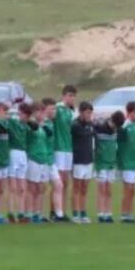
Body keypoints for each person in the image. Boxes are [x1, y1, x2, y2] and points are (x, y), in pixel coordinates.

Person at [94, 111, 124, 223]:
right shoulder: (99, 128)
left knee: (109, 189)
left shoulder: (117, 130)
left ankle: (108, 213)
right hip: (101, 163)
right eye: (115, 125)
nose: (115, 128)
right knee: (101, 189)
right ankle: (101, 214)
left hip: (112, 163)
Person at [25, 102, 53, 223]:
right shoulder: (30, 126)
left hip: (44, 158)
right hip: (33, 158)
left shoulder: (44, 126)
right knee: (32, 187)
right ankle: (30, 213)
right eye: (39, 111)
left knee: (42, 187)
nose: (42, 114)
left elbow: (49, 134)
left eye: (43, 111)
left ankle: (39, 213)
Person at [117, 101, 135, 224]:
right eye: (134, 113)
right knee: (127, 188)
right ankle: (124, 213)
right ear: (128, 113)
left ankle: (130, 212)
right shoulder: (124, 127)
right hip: (126, 161)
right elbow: (120, 145)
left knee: (133, 189)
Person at [42, 98, 67, 222]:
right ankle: (38, 214)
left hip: (51, 160)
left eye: (54, 108)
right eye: (51, 108)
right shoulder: (42, 123)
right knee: (41, 188)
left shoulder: (51, 122)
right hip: (43, 160)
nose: (54, 111)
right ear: (44, 109)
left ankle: (59, 214)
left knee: (59, 185)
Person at [53, 85, 76, 217]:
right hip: (59, 148)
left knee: (65, 181)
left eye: (73, 96)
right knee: (59, 181)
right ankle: (55, 211)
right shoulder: (58, 109)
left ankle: (62, 210)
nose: (72, 98)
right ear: (63, 96)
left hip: (68, 149)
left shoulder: (70, 111)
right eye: (69, 95)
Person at [70, 101, 95, 224]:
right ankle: (75, 213)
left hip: (88, 159)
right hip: (78, 160)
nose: (89, 115)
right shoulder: (75, 125)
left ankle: (83, 213)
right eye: (87, 112)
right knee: (76, 187)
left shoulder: (90, 124)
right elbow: (86, 134)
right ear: (81, 112)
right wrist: (92, 130)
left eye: (91, 113)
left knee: (85, 188)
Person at [7, 103, 30, 224]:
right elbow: (7, 117)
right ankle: (11, 212)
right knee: (13, 186)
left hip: (23, 154)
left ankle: (21, 212)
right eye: (21, 113)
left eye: (25, 115)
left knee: (22, 186)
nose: (23, 116)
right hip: (13, 153)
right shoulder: (13, 122)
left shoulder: (27, 126)